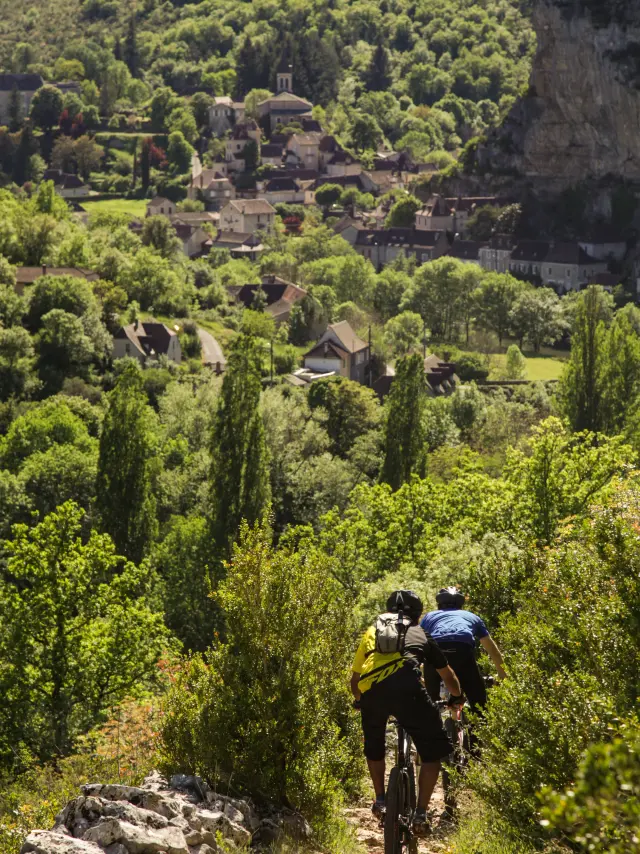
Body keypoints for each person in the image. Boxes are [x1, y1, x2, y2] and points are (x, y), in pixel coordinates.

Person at [351, 589, 463, 836]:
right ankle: (421, 813)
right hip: (410, 692)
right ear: (418, 613)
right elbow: (448, 675)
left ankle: (380, 799)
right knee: (432, 752)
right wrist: (456, 698)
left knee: (374, 744)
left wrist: (361, 701)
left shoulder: (371, 632)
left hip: (373, 693)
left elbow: (355, 679)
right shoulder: (421, 633)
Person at [421, 587, 506, 714]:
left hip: (436, 652)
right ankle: (477, 728)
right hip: (462, 651)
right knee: (479, 704)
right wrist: (502, 674)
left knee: (429, 704)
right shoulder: (471, 616)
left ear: (439, 604)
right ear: (461, 605)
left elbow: (418, 642)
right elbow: (492, 649)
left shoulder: (429, 617)